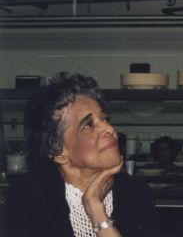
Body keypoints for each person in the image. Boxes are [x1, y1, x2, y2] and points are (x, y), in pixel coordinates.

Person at [4, 73, 163, 237]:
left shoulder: (134, 192)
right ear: (58, 150)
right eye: (88, 125)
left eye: (105, 119)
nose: (109, 129)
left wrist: (96, 210)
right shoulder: (29, 196)